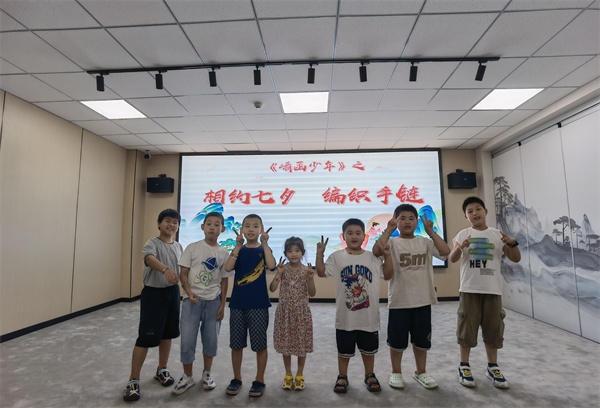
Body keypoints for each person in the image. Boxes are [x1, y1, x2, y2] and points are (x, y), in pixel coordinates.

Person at [373, 204, 450, 390]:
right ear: (395, 221)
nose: (407, 222)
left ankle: (421, 372)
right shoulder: (392, 243)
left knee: (421, 341)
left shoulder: (425, 242)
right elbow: (376, 251)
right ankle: (396, 372)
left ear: (417, 222)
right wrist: (388, 230)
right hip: (399, 301)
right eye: (402, 218)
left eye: (411, 218)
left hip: (423, 300)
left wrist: (431, 232)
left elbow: (445, 251)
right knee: (397, 342)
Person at [448, 196, 521, 389]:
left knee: (493, 329)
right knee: (467, 329)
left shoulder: (497, 234)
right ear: (466, 216)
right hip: (469, 289)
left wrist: (512, 243)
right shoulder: (463, 234)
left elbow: (515, 258)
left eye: (478, 209)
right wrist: (460, 247)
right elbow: (452, 258)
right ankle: (464, 366)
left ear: (485, 211)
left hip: (492, 290)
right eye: (470, 211)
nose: (475, 213)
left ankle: (492, 367)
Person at [316, 218, 393, 393]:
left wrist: (388, 256)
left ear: (364, 236)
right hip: (345, 317)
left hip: (368, 317)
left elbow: (388, 275)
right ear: (343, 236)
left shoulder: (372, 257)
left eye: (358, 233)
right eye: (349, 233)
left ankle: (370, 374)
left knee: (369, 350)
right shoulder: (336, 257)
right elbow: (321, 273)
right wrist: (319, 254)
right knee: (344, 350)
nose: (354, 236)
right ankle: (342, 376)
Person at [123, 209, 183, 402]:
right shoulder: (152, 243)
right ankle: (133, 380)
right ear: (159, 223)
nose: (171, 225)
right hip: (153, 294)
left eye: (175, 222)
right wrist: (165, 269)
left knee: (168, 334)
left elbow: (183, 270)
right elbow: (149, 259)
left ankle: (162, 369)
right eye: (167, 221)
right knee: (145, 337)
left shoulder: (179, 246)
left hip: (173, 293)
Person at [172, 212, 232, 395]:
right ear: (202, 227)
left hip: (213, 301)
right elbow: (183, 273)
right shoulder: (192, 248)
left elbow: (224, 280)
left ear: (222, 228)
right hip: (192, 301)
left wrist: (222, 304)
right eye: (209, 224)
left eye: (217, 224)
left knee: (211, 339)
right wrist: (188, 292)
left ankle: (207, 373)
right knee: (187, 339)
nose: (212, 227)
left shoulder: (224, 253)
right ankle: (187, 376)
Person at [223, 214, 276, 397]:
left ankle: (259, 380)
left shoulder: (263, 249)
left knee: (260, 345)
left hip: (259, 305)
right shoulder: (239, 250)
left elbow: (271, 265)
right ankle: (236, 378)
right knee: (236, 345)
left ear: (261, 229)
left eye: (255, 226)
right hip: (237, 304)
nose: (251, 229)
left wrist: (265, 243)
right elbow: (228, 268)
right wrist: (237, 246)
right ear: (242, 229)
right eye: (247, 226)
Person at [269, 237, 316, 391]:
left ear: (303, 252)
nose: (293, 254)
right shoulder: (283, 270)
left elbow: (313, 293)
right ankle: (288, 374)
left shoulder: (306, 271)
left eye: (297, 251)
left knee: (301, 344)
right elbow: (272, 288)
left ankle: (300, 374)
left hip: (301, 313)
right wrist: (278, 273)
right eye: (290, 251)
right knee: (286, 345)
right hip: (285, 313)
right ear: (285, 254)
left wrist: (310, 279)